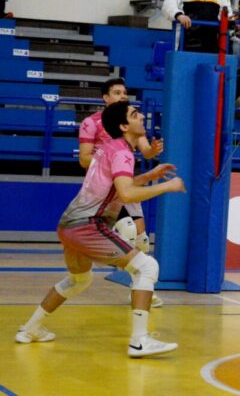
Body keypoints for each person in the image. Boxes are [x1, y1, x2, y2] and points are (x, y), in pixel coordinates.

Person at [16, 101, 186, 357]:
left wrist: (150, 176)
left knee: (79, 281)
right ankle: (140, 341)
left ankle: (30, 329)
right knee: (148, 267)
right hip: (88, 225)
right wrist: (167, 187)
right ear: (123, 126)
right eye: (135, 114)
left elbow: (118, 186)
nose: (141, 117)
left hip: (68, 225)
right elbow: (127, 194)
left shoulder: (111, 148)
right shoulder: (123, 153)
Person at [79, 78, 164, 309]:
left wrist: (152, 150)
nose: (123, 96)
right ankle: (107, 254)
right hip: (106, 188)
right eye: (117, 92)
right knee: (125, 231)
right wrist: (107, 157)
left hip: (126, 183)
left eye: (124, 92)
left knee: (142, 240)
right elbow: (83, 159)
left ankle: (140, 288)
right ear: (105, 98)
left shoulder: (131, 119)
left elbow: (145, 151)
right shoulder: (91, 123)